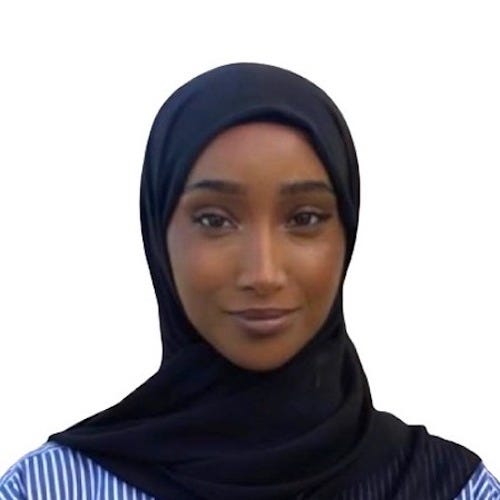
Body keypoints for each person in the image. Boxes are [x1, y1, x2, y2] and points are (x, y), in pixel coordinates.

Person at [0, 63, 498, 500]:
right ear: (158, 234)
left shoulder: (448, 487)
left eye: (304, 218)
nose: (262, 273)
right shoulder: (47, 488)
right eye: (215, 220)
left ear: (346, 231)